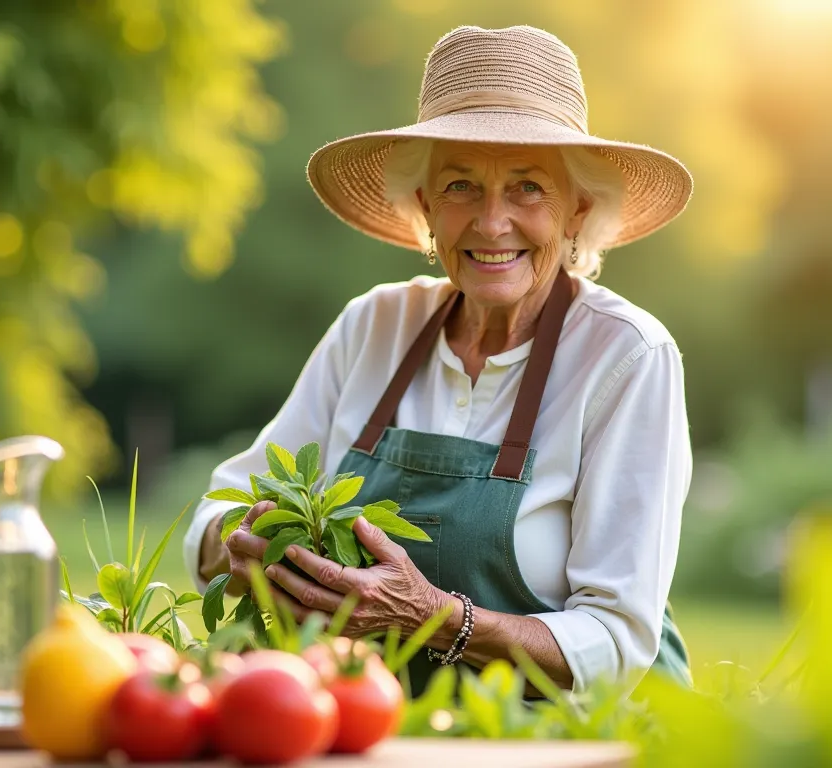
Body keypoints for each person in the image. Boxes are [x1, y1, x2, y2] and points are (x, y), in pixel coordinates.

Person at [182, 24, 694, 695]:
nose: (490, 222)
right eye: (459, 186)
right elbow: (218, 512)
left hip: (570, 739)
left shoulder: (626, 356)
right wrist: (245, 545)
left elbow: (617, 641)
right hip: (388, 724)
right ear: (425, 208)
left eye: (528, 188)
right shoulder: (375, 325)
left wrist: (435, 618)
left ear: (578, 210)